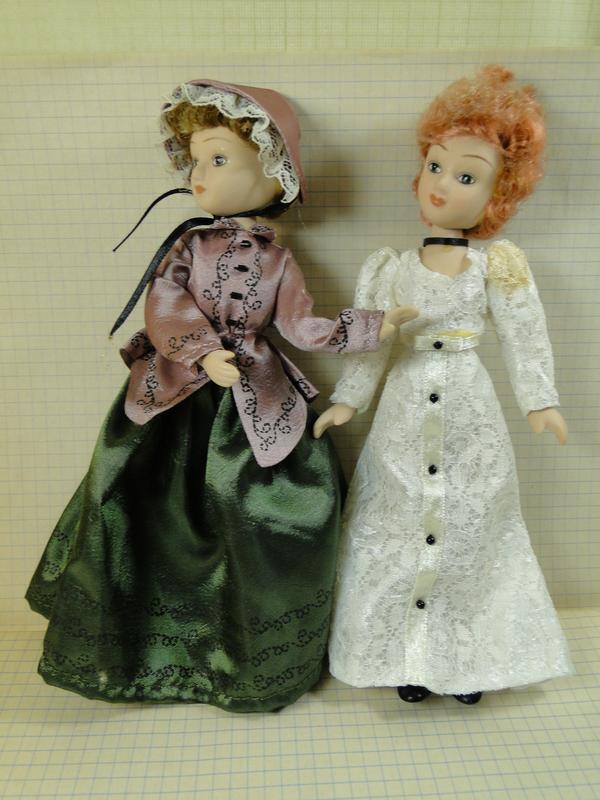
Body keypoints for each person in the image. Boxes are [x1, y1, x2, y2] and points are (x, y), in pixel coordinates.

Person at [26, 79, 415, 712]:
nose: (199, 176)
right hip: (177, 392)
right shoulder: (188, 245)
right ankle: (148, 647)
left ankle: (245, 654)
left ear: (272, 170)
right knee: (146, 505)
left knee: (251, 508)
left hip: (254, 393)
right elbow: (164, 303)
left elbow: (300, 326)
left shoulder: (279, 261)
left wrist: (373, 327)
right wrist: (203, 351)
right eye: (196, 161)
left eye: (218, 159)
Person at [314, 66, 574, 705]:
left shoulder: (497, 265)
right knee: (396, 524)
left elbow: (524, 334)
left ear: (497, 195)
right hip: (403, 411)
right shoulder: (391, 268)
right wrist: (348, 400)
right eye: (436, 166)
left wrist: (540, 401)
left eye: (466, 177)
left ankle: (466, 660)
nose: (441, 185)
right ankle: (404, 657)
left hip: (468, 410)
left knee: (472, 527)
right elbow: (374, 345)